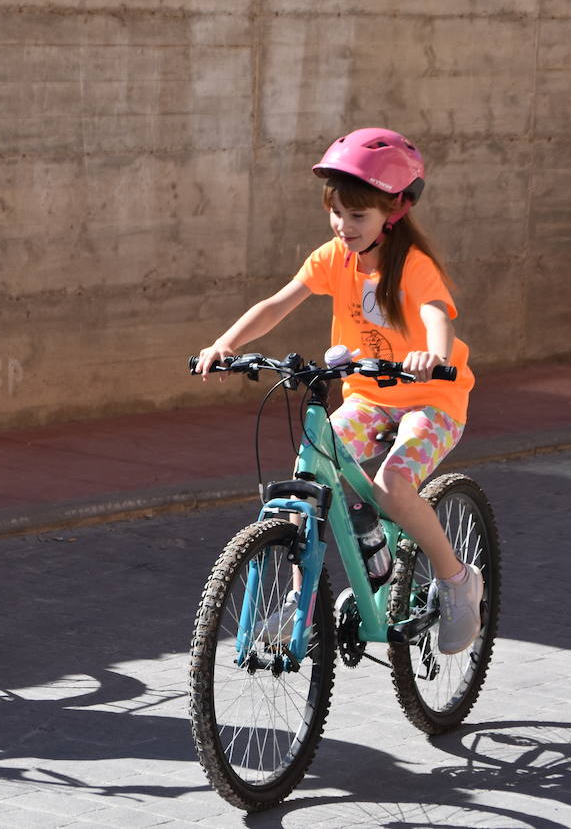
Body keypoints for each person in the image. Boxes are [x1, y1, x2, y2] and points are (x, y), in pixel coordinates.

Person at [193, 128, 482, 654]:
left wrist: (433, 355)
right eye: (336, 213)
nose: (343, 226)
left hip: (430, 400)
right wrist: (224, 344)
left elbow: (436, 314)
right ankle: (300, 602)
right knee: (309, 474)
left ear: (392, 212)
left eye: (357, 216)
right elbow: (278, 304)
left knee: (395, 486)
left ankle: (458, 580)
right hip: (370, 399)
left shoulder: (413, 265)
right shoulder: (333, 258)